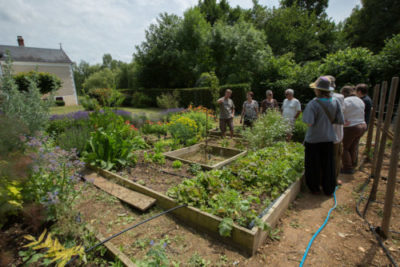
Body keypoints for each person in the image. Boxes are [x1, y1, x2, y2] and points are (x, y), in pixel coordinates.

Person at [303, 76, 344, 195]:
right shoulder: (335, 102)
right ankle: (329, 189)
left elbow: (309, 122)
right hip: (329, 138)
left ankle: (314, 188)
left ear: (318, 90)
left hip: (314, 139)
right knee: (328, 165)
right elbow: (339, 120)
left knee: (313, 164)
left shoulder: (313, 103)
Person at [341, 86, 367, 174]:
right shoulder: (360, 100)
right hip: (362, 125)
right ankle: (352, 164)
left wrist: (342, 122)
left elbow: (340, 113)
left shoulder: (345, 101)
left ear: (344, 93)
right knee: (353, 146)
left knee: (344, 147)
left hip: (352, 127)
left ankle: (347, 167)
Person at [326, 75, 345, 182]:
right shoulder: (340, 97)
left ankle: (323, 179)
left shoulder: (317, 99)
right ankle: (333, 179)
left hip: (322, 135)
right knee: (335, 157)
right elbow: (342, 115)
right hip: (336, 135)